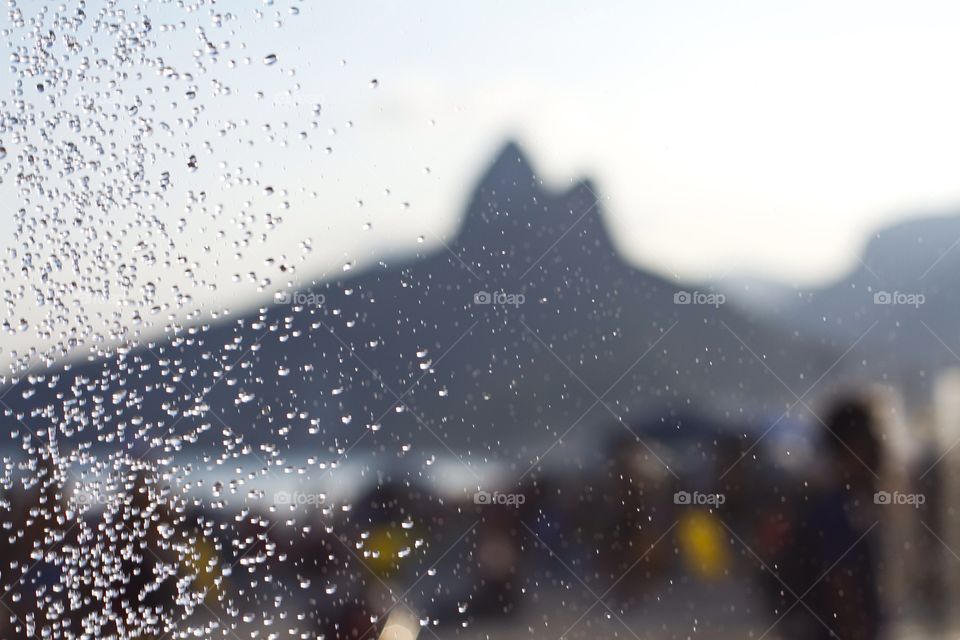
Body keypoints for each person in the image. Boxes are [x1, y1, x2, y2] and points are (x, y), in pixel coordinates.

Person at [773, 397, 883, 640]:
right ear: (852, 447)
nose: (879, 450)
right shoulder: (836, 511)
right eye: (872, 439)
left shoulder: (833, 503)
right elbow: (842, 590)